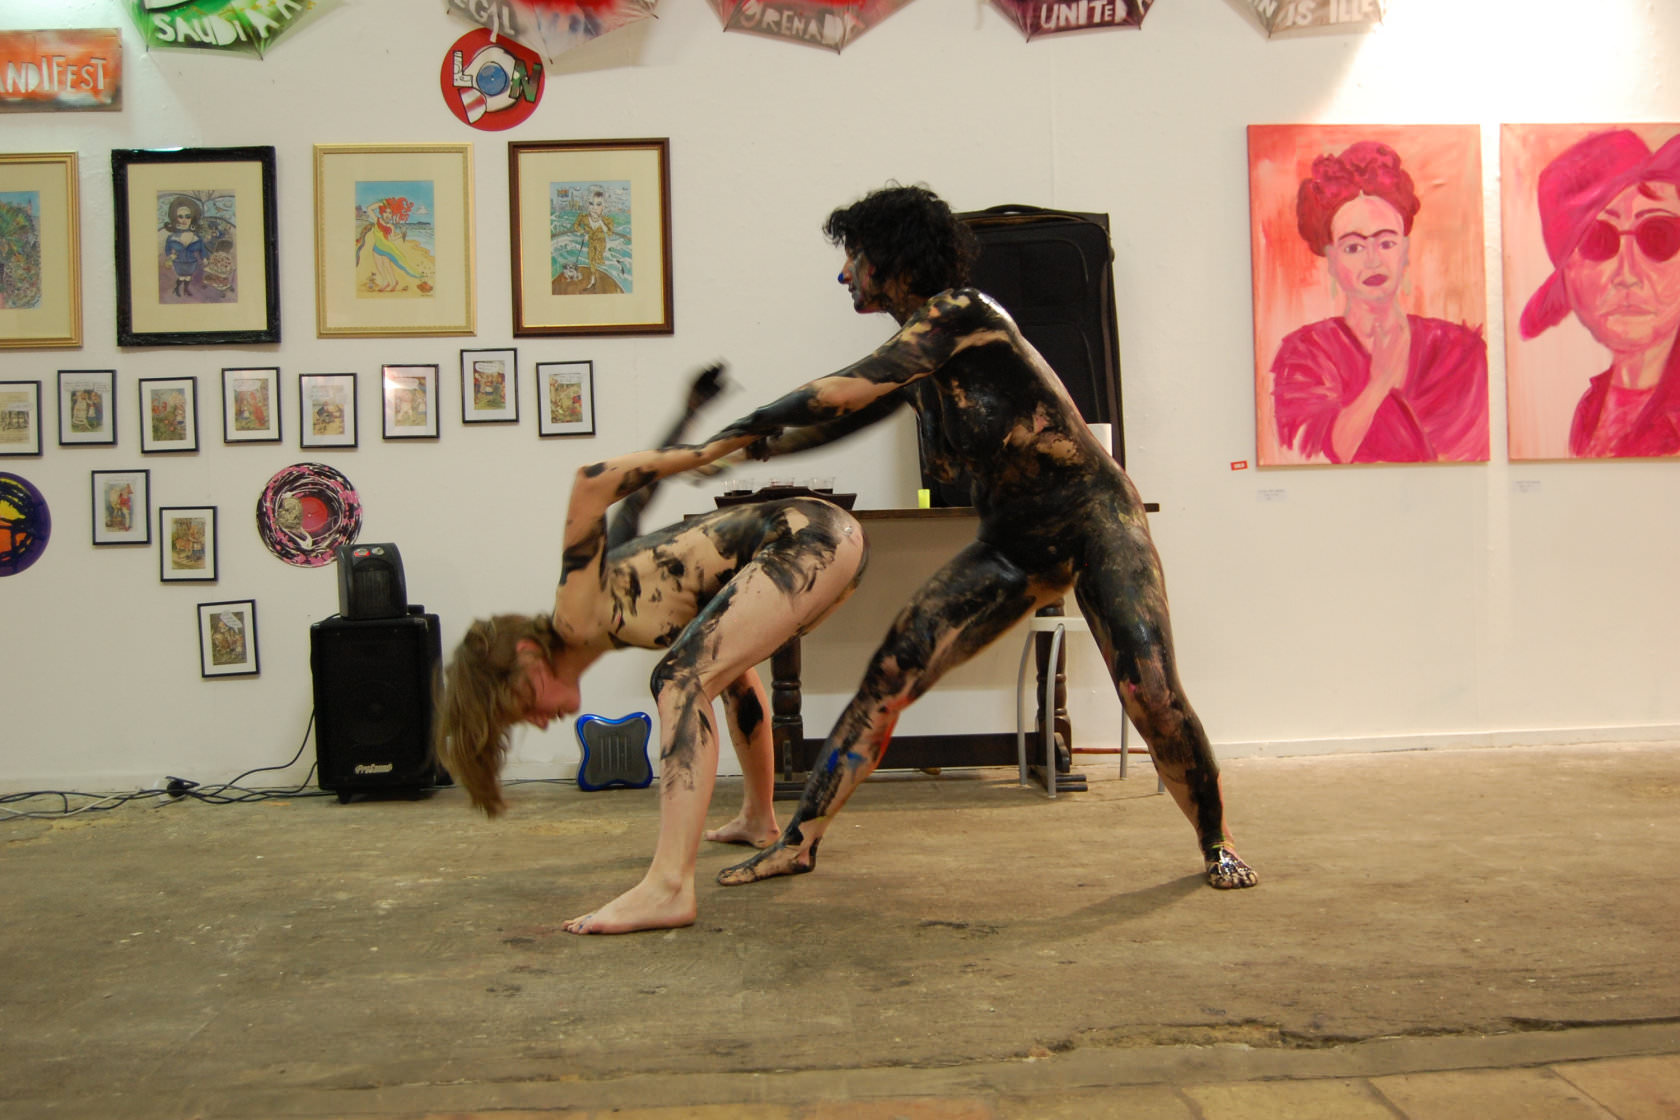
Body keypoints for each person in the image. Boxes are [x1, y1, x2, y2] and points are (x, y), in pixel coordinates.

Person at [686, 184, 1257, 891]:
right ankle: (798, 843)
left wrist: (733, 434)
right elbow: (841, 417)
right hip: (1014, 543)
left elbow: (843, 390)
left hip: (1094, 516)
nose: (843, 275)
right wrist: (751, 452)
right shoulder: (914, 360)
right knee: (888, 676)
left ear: (892, 259)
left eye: (853, 257)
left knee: (1152, 692)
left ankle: (1216, 840)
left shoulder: (963, 313)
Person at [435, 368, 869, 935]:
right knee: (721, 674)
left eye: (523, 706)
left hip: (808, 538)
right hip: (829, 542)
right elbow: (636, 501)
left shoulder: (575, 611)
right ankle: (758, 817)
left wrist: (713, 447)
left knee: (679, 679)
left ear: (527, 657)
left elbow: (591, 483)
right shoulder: (613, 584)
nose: (540, 722)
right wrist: (687, 412)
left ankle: (668, 887)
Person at [1270, 141, 1489, 464]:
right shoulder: (1305, 355)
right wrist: (1379, 383)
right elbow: (1311, 458)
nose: (1373, 260)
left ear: (1404, 251)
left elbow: (1470, 459)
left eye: (1386, 243)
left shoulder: (1459, 352)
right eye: (1354, 248)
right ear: (1332, 260)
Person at [1519, 129, 1680, 459]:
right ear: (1568, 277)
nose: (1627, 276)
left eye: (1658, 235)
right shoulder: (1590, 409)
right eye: (1598, 240)